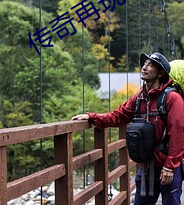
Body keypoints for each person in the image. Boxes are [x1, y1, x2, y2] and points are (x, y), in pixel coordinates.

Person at [71, 52, 184, 205]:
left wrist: (170, 167)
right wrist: (91, 117)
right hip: (147, 166)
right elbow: (118, 116)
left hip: (167, 166)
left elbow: (178, 133)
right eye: (144, 64)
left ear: (161, 73)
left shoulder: (172, 98)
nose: (144, 67)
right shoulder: (139, 98)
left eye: (150, 65)